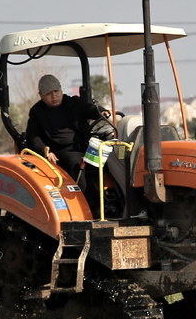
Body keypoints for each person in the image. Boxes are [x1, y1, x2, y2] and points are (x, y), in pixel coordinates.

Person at [25, 74, 134, 216]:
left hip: (84, 146)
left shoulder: (72, 103)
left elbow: (88, 109)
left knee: (113, 157)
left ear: (61, 90)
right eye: (49, 94)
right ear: (41, 95)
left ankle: (122, 201)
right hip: (60, 151)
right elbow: (33, 137)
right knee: (76, 163)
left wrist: (100, 111)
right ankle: (90, 204)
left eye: (56, 92)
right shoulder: (37, 112)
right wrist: (45, 150)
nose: (54, 96)